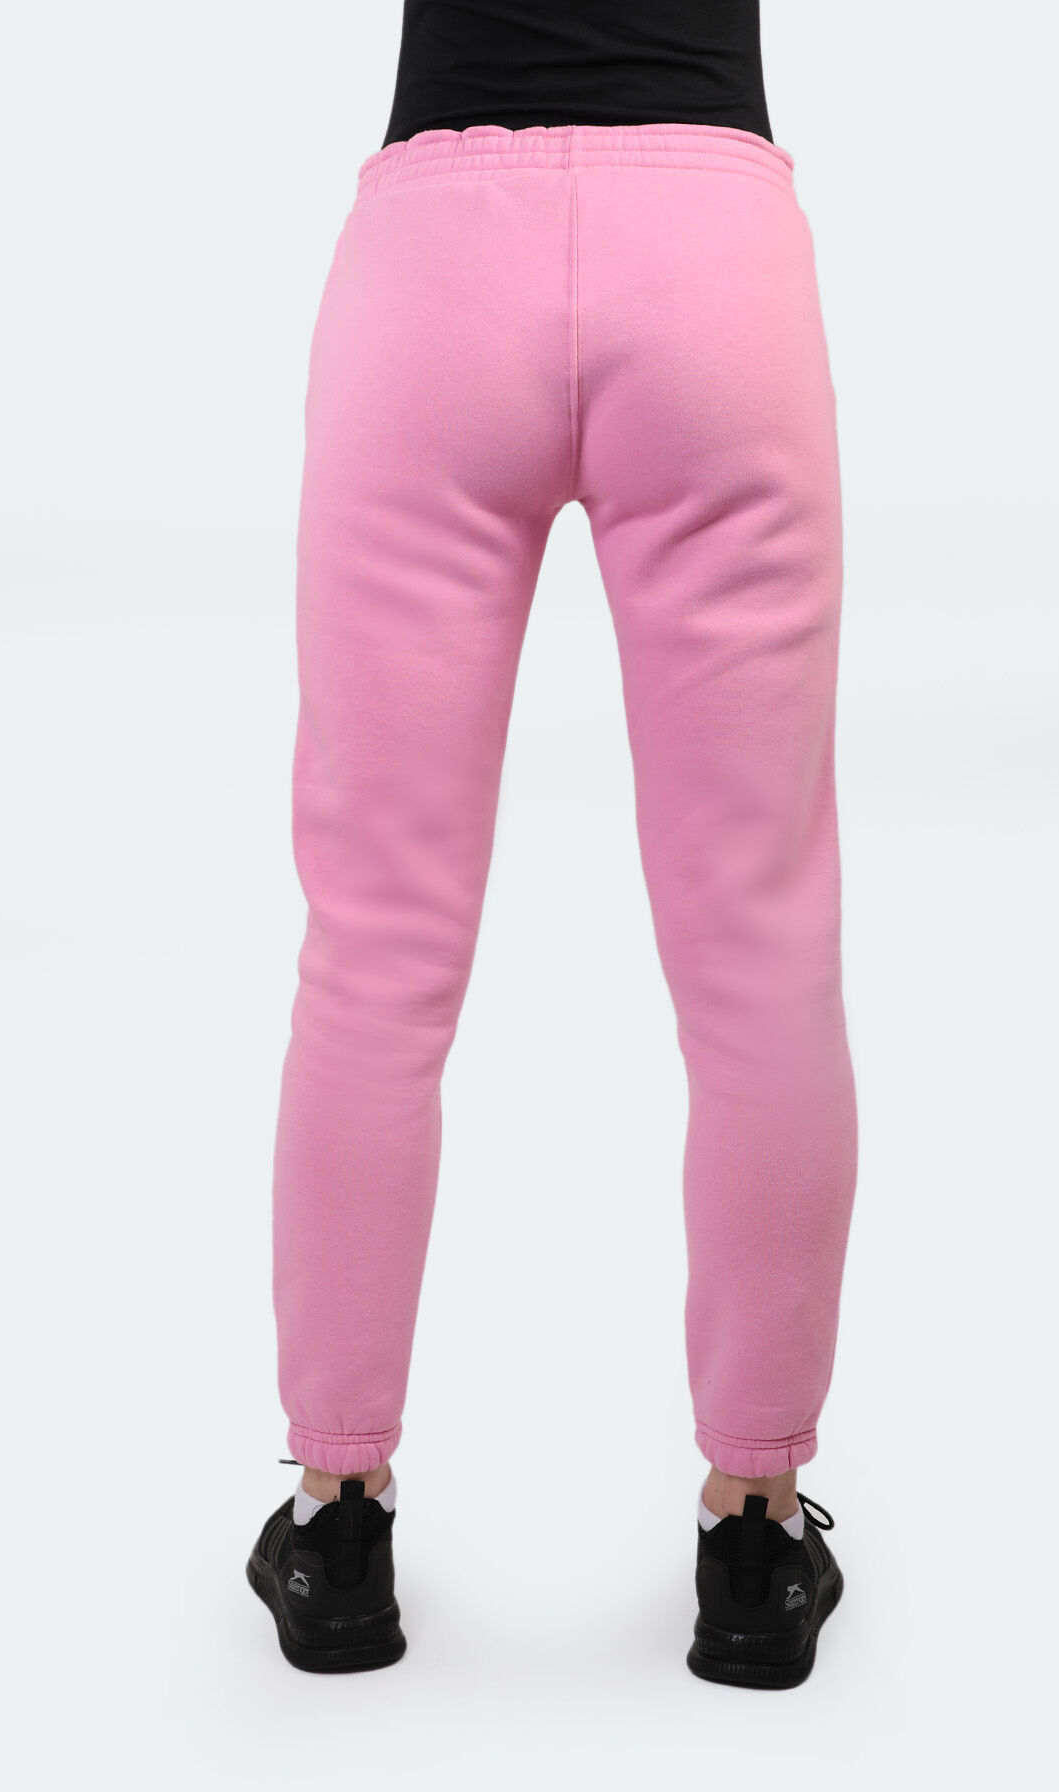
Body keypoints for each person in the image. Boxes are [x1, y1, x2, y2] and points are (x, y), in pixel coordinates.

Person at [246, 0, 856, 1688]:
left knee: (374, 948)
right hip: (713, 253)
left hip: (436, 262)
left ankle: (336, 1518)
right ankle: (756, 1533)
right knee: (761, 949)